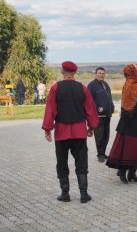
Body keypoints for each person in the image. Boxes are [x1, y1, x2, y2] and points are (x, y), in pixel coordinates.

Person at [42, 61, 98, 203]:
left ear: (63, 71)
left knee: (62, 162)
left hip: (61, 131)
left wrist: (48, 129)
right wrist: (91, 127)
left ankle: (65, 193)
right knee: (81, 162)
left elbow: (50, 110)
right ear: (73, 72)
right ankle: (84, 194)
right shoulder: (82, 88)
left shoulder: (56, 88)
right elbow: (90, 110)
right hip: (79, 131)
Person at [87, 67, 115, 163]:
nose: (101, 75)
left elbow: (109, 98)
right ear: (96, 74)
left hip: (107, 115)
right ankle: (100, 155)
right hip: (98, 116)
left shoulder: (105, 85)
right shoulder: (92, 85)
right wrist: (97, 109)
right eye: (99, 73)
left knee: (106, 136)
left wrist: (112, 106)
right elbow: (89, 101)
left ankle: (103, 152)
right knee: (99, 136)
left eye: (103, 73)